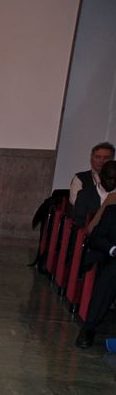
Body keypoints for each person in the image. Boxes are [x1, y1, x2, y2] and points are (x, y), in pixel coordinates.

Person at [75, 201, 116, 348]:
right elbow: (95, 238)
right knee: (111, 274)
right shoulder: (112, 212)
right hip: (112, 260)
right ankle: (89, 327)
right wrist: (112, 249)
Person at [72, 158, 116, 229]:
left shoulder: (114, 196)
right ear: (101, 176)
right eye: (109, 178)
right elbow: (78, 225)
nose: (113, 182)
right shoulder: (84, 195)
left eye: (115, 179)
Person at [69, 141, 114, 206]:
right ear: (91, 158)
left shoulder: (114, 179)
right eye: (98, 157)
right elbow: (75, 201)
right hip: (86, 215)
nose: (101, 161)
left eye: (106, 158)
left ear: (112, 160)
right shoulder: (80, 177)